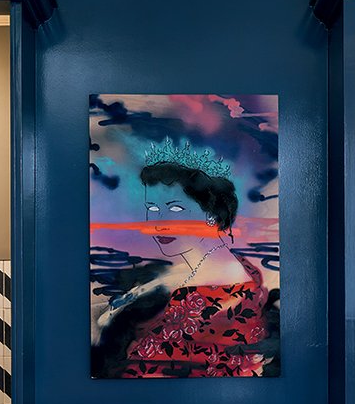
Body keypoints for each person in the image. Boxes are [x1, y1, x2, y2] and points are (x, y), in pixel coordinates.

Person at [93, 147, 277, 378]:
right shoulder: (205, 265)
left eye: (175, 208)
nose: (158, 223)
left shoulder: (217, 289)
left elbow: (148, 367)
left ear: (211, 215)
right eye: (152, 208)